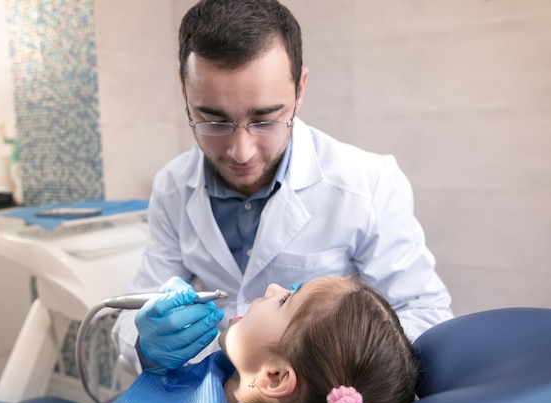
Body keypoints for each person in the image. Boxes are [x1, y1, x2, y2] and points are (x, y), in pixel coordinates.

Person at [114, 0, 453, 372]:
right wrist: (148, 346)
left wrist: (321, 367)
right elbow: (132, 320)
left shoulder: (368, 184)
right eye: (213, 121)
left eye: (265, 119)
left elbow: (427, 316)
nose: (241, 152)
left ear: (300, 88)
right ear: (184, 90)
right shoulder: (172, 186)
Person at [0, 276, 417, 403]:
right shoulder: (233, 377)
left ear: (274, 378)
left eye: (287, 299)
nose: (270, 288)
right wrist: (150, 355)